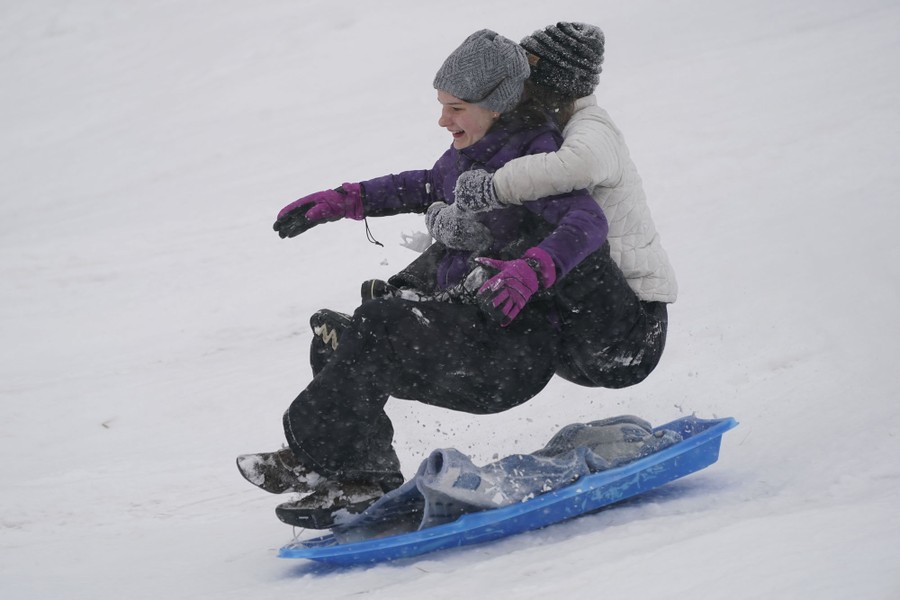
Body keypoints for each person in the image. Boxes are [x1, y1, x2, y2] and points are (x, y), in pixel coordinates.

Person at [237, 29, 622, 528]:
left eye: (456, 107)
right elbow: (422, 184)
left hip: (508, 352)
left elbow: (588, 222)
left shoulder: (535, 161)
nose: (443, 120)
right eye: (442, 105)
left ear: (498, 104)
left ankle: (308, 454)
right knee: (341, 335)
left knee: (378, 322)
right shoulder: (472, 153)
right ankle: (357, 479)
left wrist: (532, 270)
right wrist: (346, 199)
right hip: (470, 336)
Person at [435, 22, 677, 388]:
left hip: (631, 330)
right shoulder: (537, 132)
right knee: (495, 226)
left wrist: (495, 187)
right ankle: (423, 301)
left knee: (550, 225)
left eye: (524, 80)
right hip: (573, 335)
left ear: (550, 83)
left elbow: (580, 164)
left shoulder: (592, 126)